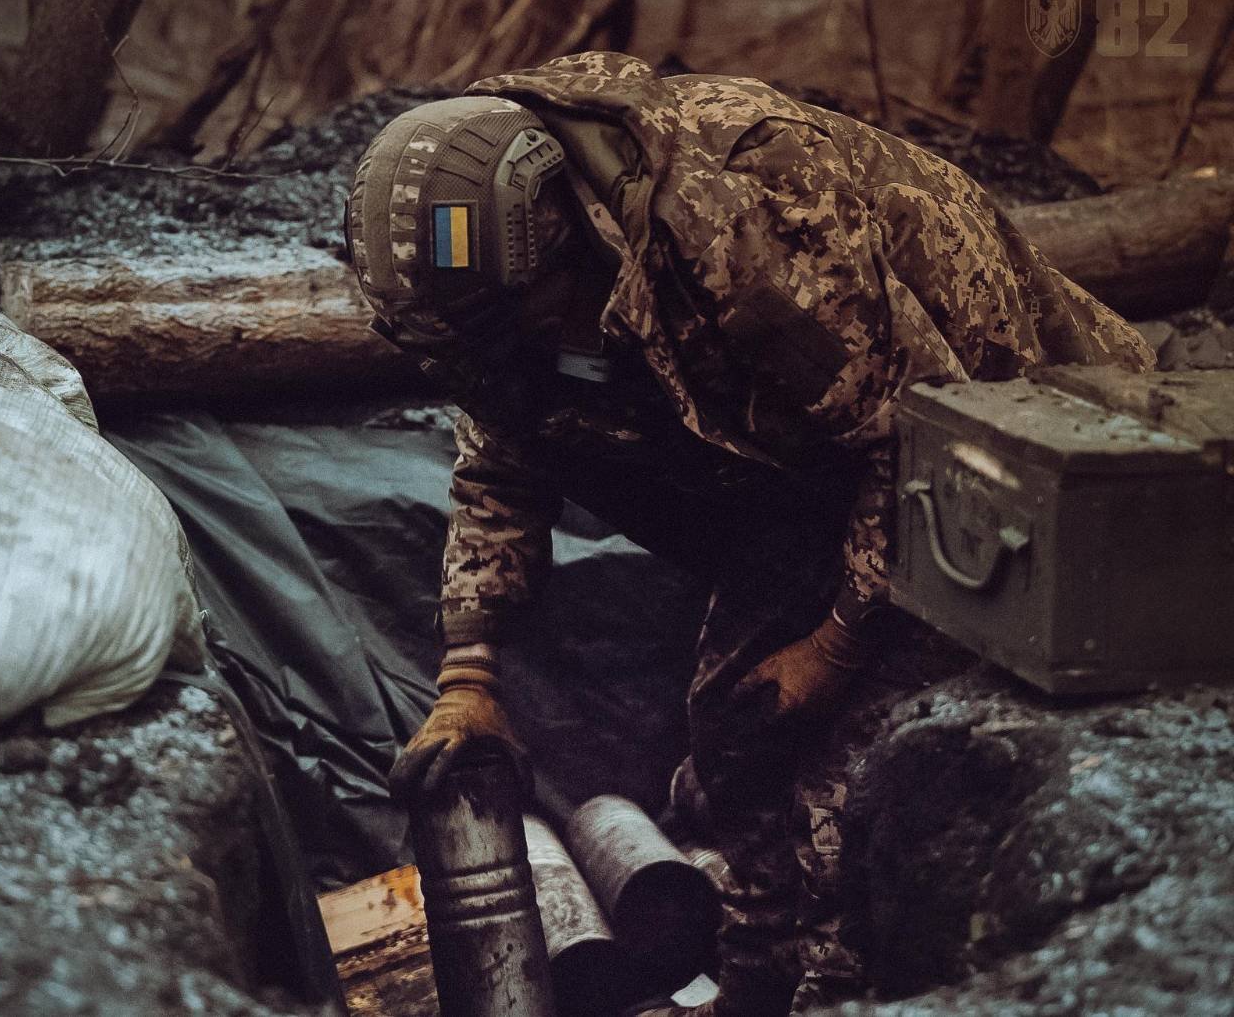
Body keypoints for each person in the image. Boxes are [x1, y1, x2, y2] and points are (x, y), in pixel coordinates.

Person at [343, 52, 1153, 1016]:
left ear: (564, 241)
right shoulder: (502, 303)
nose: (493, 354)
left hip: (1003, 439)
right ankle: (759, 983)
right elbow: (501, 455)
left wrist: (835, 644)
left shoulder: (751, 226)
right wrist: (468, 675)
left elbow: (919, 431)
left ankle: (851, 985)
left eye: (502, 328)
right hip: (797, 463)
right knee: (738, 741)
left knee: (860, 778)